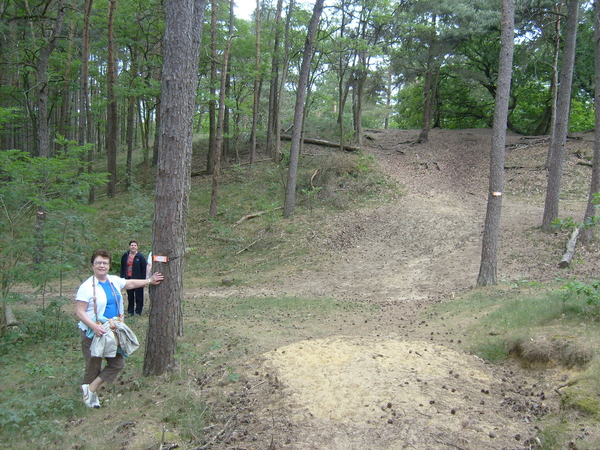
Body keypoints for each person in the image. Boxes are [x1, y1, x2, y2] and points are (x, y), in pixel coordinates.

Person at [75, 248, 164, 408]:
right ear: (92, 265)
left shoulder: (112, 280)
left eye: (105, 263)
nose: (102, 266)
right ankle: (89, 398)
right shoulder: (86, 287)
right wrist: (94, 326)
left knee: (117, 363)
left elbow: (129, 283)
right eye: (98, 263)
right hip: (93, 332)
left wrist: (149, 281)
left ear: (109, 265)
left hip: (112, 330)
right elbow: (80, 311)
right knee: (93, 364)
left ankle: (91, 388)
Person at [120, 240, 148, 316]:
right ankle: (130, 311)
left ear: (137, 247)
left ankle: (138, 311)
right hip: (128, 279)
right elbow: (122, 267)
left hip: (138, 279)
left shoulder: (140, 256)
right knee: (130, 296)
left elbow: (144, 269)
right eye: (132, 245)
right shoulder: (125, 255)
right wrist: (122, 278)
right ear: (129, 247)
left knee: (139, 296)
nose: (133, 247)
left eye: (135, 245)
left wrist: (143, 280)